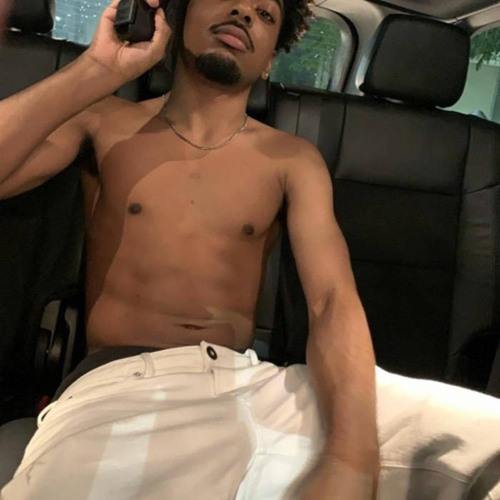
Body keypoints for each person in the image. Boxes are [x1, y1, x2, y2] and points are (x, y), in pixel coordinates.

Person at [0, 0, 499, 498]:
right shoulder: (104, 120)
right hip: (122, 384)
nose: (244, 13)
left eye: (265, 15)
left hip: (254, 382)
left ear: (268, 62)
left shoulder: (292, 159)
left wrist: (351, 457)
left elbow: (331, 301)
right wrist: (99, 68)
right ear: (178, 15)